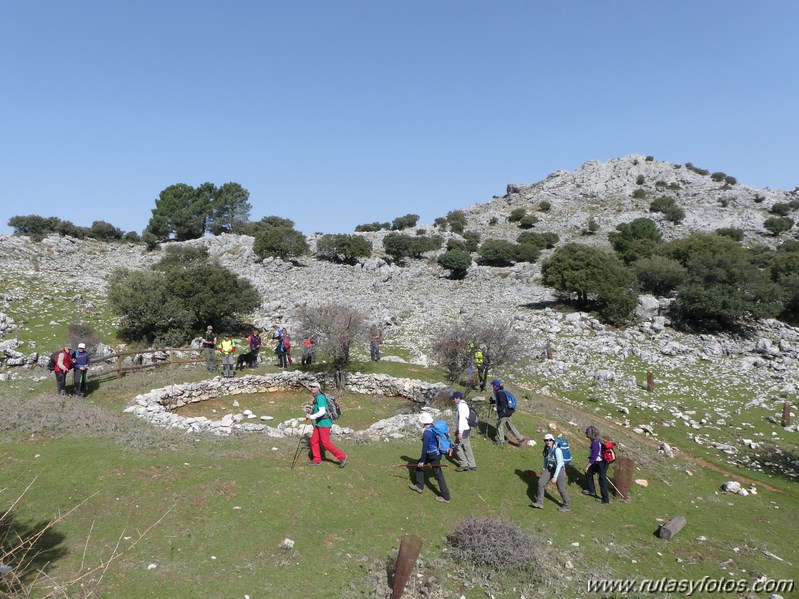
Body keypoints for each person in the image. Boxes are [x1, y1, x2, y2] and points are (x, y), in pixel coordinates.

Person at [409, 412, 450, 503]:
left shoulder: (427, 433)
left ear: (423, 422)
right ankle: (419, 486)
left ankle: (446, 497)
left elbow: (424, 449)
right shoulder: (434, 427)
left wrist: (422, 461)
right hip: (438, 453)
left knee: (438, 474)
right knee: (419, 465)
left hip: (432, 455)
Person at [304, 382, 348, 468]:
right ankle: (316, 459)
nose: (312, 388)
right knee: (313, 441)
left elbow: (322, 411)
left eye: (314, 387)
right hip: (319, 423)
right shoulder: (317, 397)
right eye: (311, 387)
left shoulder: (320, 397)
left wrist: (311, 416)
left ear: (318, 388)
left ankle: (342, 457)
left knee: (326, 443)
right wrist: (311, 411)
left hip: (324, 423)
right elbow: (319, 410)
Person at [531, 434, 571, 512]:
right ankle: (539, 502)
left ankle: (567, 506)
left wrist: (555, 477)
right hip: (550, 468)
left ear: (553, 441)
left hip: (559, 470)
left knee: (561, 488)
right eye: (546, 440)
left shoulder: (557, 450)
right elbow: (546, 459)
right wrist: (544, 468)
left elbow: (559, 464)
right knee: (541, 483)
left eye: (550, 440)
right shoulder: (546, 449)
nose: (548, 442)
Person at [490, 379, 527, 446]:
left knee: (499, 425)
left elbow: (503, 404)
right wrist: (492, 401)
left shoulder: (499, 393)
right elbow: (501, 402)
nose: (492, 386)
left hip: (504, 413)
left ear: (495, 386)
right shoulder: (500, 391)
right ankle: (520, 438)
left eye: (492, 385)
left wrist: (496, 409)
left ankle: (501, 441)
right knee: (510, 425)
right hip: (509, 411)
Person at [584, 425, 610, 504]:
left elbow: (594, 456)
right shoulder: (598, 440)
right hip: (600, 462)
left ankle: (605, 500)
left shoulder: (595, 443)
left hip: (600, 463)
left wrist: (587, 466)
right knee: (589, 473)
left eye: (587, 433)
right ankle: (591, 490)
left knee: (602, 480)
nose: (586, 434)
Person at [451, 391, 477, 472]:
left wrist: (460, 432)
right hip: (467, 429)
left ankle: (464, 464)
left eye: (454, 399)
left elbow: (462, 419)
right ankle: (472, 465)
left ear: (458, 398)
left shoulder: (461, 407)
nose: (453, 400)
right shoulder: (463, 405)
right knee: (467, 446)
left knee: (456, 446)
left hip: (464, 430)